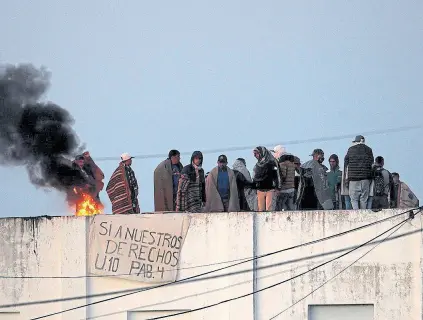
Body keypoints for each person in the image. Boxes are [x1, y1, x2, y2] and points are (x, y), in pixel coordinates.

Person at [344, 135, 374, 209]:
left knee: (354, 200)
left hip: (353, 179)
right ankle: (363, 215)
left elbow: (346, 164)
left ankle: (356, 215)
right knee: (364, 199)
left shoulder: (350, 150)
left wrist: (346, 179)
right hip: (365, 179)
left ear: (356, 141)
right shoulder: (369, 150)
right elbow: (372, 163)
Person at [252, 146, 280, 211]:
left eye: (256, 153)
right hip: (260, 190)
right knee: (260, 211)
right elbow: (254, 177)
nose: (255, 155)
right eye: (254, 154)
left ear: (262, 153)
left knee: (269, 211)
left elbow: (277, 175)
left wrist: (278, 187)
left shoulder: (272, 162)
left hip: (270, 189)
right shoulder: (257, 165)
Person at [273, 145, 296, 211]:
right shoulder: (291, 163)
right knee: (290, 209)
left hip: (284, 190)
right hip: (291, 189)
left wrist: (277, 187)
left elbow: (282, 177)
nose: (274, 154)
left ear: (278, 152)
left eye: (275, 152)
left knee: (280, 209)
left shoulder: (282, 163)